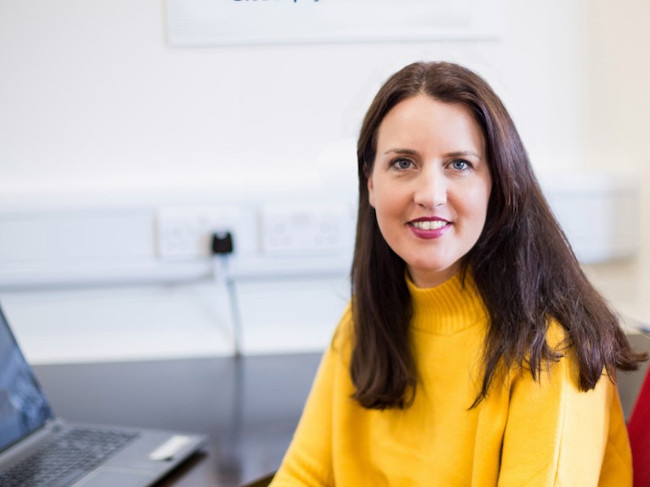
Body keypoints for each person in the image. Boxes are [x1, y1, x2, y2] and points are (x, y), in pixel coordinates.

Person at [270, 61, 644, 486]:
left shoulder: (550, 349)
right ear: (370, 183)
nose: (430, 194)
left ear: (497, 184)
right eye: (403, 163)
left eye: (459, 164)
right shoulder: (364, 321)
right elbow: (304, 474)